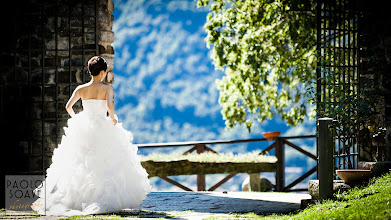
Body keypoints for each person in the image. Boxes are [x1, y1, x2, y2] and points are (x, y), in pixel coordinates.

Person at [31, 56, 152, 216]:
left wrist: (78, 119)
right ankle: (100, 197)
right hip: (102, 125)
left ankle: (78, 200)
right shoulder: (107, 89)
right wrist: (113, 117)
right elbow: (109, 105)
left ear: (90, 72)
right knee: (105, 161)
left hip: (84, 125)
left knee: (80, 163)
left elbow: (68, 106)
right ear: (102, 72)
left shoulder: (81, 88)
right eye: (105, 72)